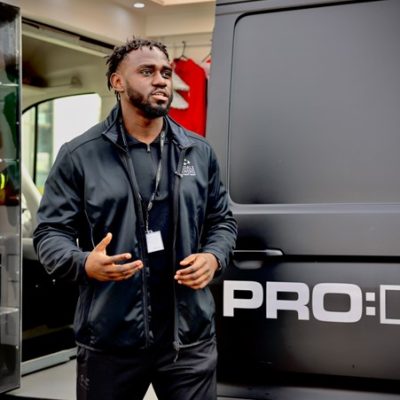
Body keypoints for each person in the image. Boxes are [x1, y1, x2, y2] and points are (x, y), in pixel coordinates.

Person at [33, 37, 237, 400]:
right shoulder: (80, 155)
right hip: (110, 339)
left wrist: (213, 257)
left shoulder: (198, 151)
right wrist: (83, 263)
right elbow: (50, 233)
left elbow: (222, 221)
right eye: (147, 71)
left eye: (166, 73)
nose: (161, 80)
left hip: (188, 339)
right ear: (117, 81)